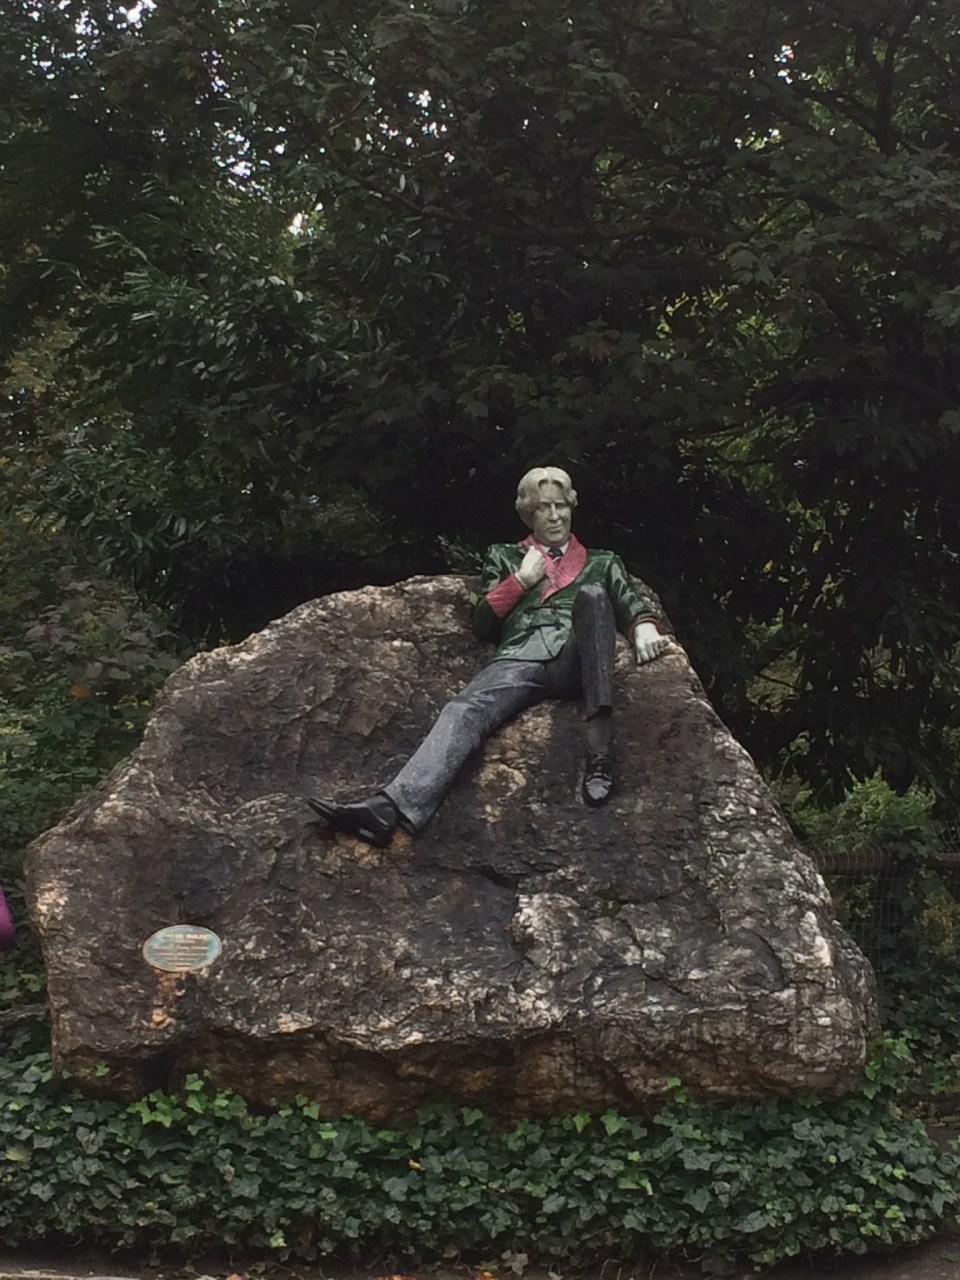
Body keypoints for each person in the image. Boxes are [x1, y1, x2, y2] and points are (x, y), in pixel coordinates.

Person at [308, 466, 670, 847]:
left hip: (575, 655)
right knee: (463, 709)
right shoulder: (504, 556)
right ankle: (391, 808)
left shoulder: (602, 561)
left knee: (594, 597)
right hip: (521, 656)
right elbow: (483, 622)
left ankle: (599, 755)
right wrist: (521, 581)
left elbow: (629, 603)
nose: (554, 515)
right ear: (528, 514)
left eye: (561, 506)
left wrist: (643, 626)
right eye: (543, 507)